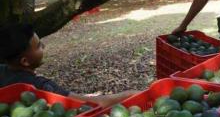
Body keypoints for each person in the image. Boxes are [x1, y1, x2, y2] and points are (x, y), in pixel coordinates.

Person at [0, 24, 138, 107]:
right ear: (25, 62)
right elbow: (89, 104)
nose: (44, 46)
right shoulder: (41, 87)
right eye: (38, 46)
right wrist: (129, 94)